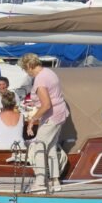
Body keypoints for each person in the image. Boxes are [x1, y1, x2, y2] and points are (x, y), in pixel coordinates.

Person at [18, 53, 69, 192]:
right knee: (51, 147)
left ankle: (40, 183)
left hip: (51, 116)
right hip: (59, 114)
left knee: (39, 147)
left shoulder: (40, 80)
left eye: (24, 69)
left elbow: (46, 105)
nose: (26, 72)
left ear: (29, 66)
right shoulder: (50, 72)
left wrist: (32, 120)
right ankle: (55, 180)